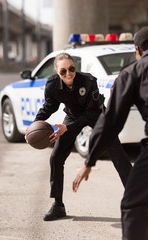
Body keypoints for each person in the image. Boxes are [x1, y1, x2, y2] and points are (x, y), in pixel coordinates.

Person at [26, 52, 132, 221]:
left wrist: (66, 128)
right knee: (56, 157)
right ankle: (58, 205)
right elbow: (50, 106)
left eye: (71, 69)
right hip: (73, 116)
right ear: (56, 71)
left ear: (75, 67)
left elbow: (90, 115)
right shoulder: (53, 85)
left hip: (97, 116)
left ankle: (138, 202)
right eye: (63, 71)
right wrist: (34, 124)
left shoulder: (89, 81)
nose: (68, 73)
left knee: (118, 155)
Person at [72, 26, 148, 239]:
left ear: (138, 50)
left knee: (133, 204)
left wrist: (89, 161)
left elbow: (111, 121)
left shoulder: (133, 72)